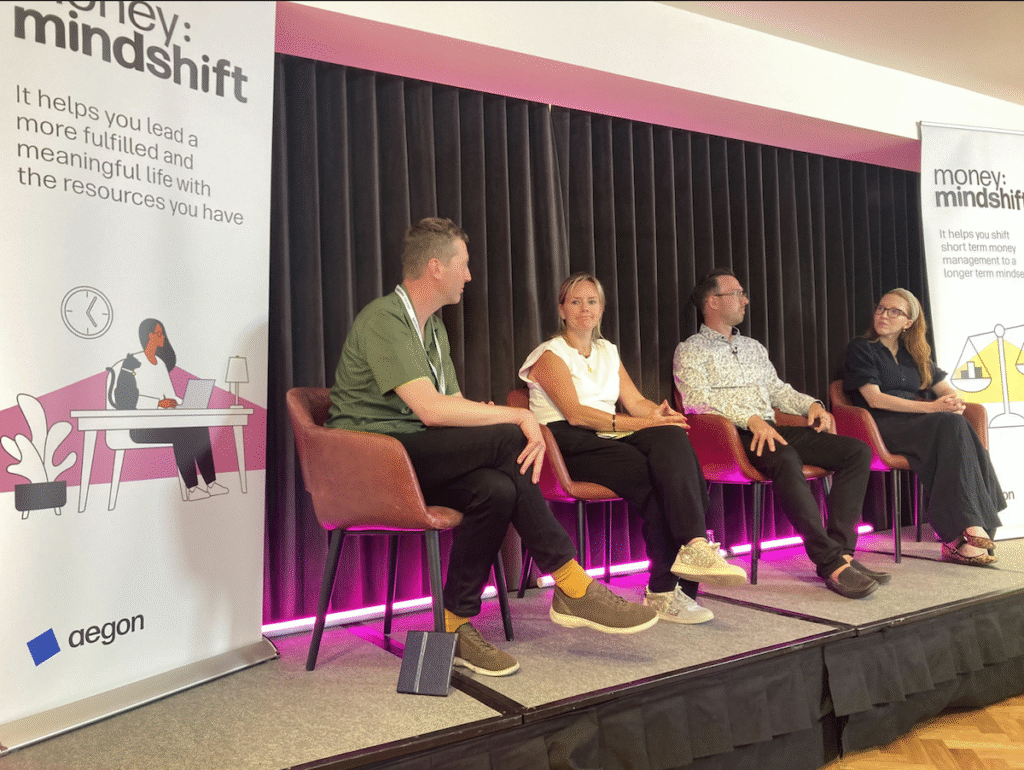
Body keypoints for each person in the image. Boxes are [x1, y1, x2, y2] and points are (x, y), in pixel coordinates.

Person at [326, 218, 658, 678]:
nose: (469, 275)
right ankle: (570, 581)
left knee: (496, 490)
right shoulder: (385, 319)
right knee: (510, 434)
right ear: (436, 267)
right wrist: (517, 417)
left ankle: (453, 624)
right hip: (373, 462)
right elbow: (431, 410)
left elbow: (450, 404)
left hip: (413, 455)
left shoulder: (432, 327)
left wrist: (487, 414)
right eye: (463, 265)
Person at [519, 273, 747, 625]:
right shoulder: (550, 354)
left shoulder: (607, 350)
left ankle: (695, 547)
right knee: (654, 477)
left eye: (592, 301)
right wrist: (643, 424)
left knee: (672, 437)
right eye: (576, 302)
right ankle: (663, 591)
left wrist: (658, 416)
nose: (584, 309)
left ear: (601, 308)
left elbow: (636, 402)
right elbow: (576, 415)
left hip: (606, 434)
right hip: (567, 444)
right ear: (562, 310)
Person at [674, 268, 881, 599]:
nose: (745, 300)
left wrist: (811, 405)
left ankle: (842, 553)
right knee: (784, 457)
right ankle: (829, 562)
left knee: (857, 452)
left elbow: (777, 390)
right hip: (734, 438)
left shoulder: (753, 347)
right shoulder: (691, 349)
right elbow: (696, 400)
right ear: (712, 302)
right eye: (737, 294)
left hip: (771, 429)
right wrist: (749, 419)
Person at [842, 288, 1003, 566]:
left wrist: (952, 402)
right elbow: (874, 398)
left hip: (915, 425)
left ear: (908, 322)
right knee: (950, 425)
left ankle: (963, 534)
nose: (884, 315)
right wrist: (933, 408)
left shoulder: (912, 354)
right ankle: (968, 530)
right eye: (881, 308)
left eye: (894, 312)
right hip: (879, 426)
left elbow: (944, 389)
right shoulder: (862, 348)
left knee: (955, 423)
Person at [126, 319, 228, 502]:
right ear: (149, 336)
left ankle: (211, 483)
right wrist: (158, 404)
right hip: (141, 427)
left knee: (199, 427)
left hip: (164, 422)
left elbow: (171, 397)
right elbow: (129, 399)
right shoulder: (134, 362)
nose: (163, 337)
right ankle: (192, 488)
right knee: (181, 432)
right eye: (159, 333)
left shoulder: (160, 364)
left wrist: (186, 403)